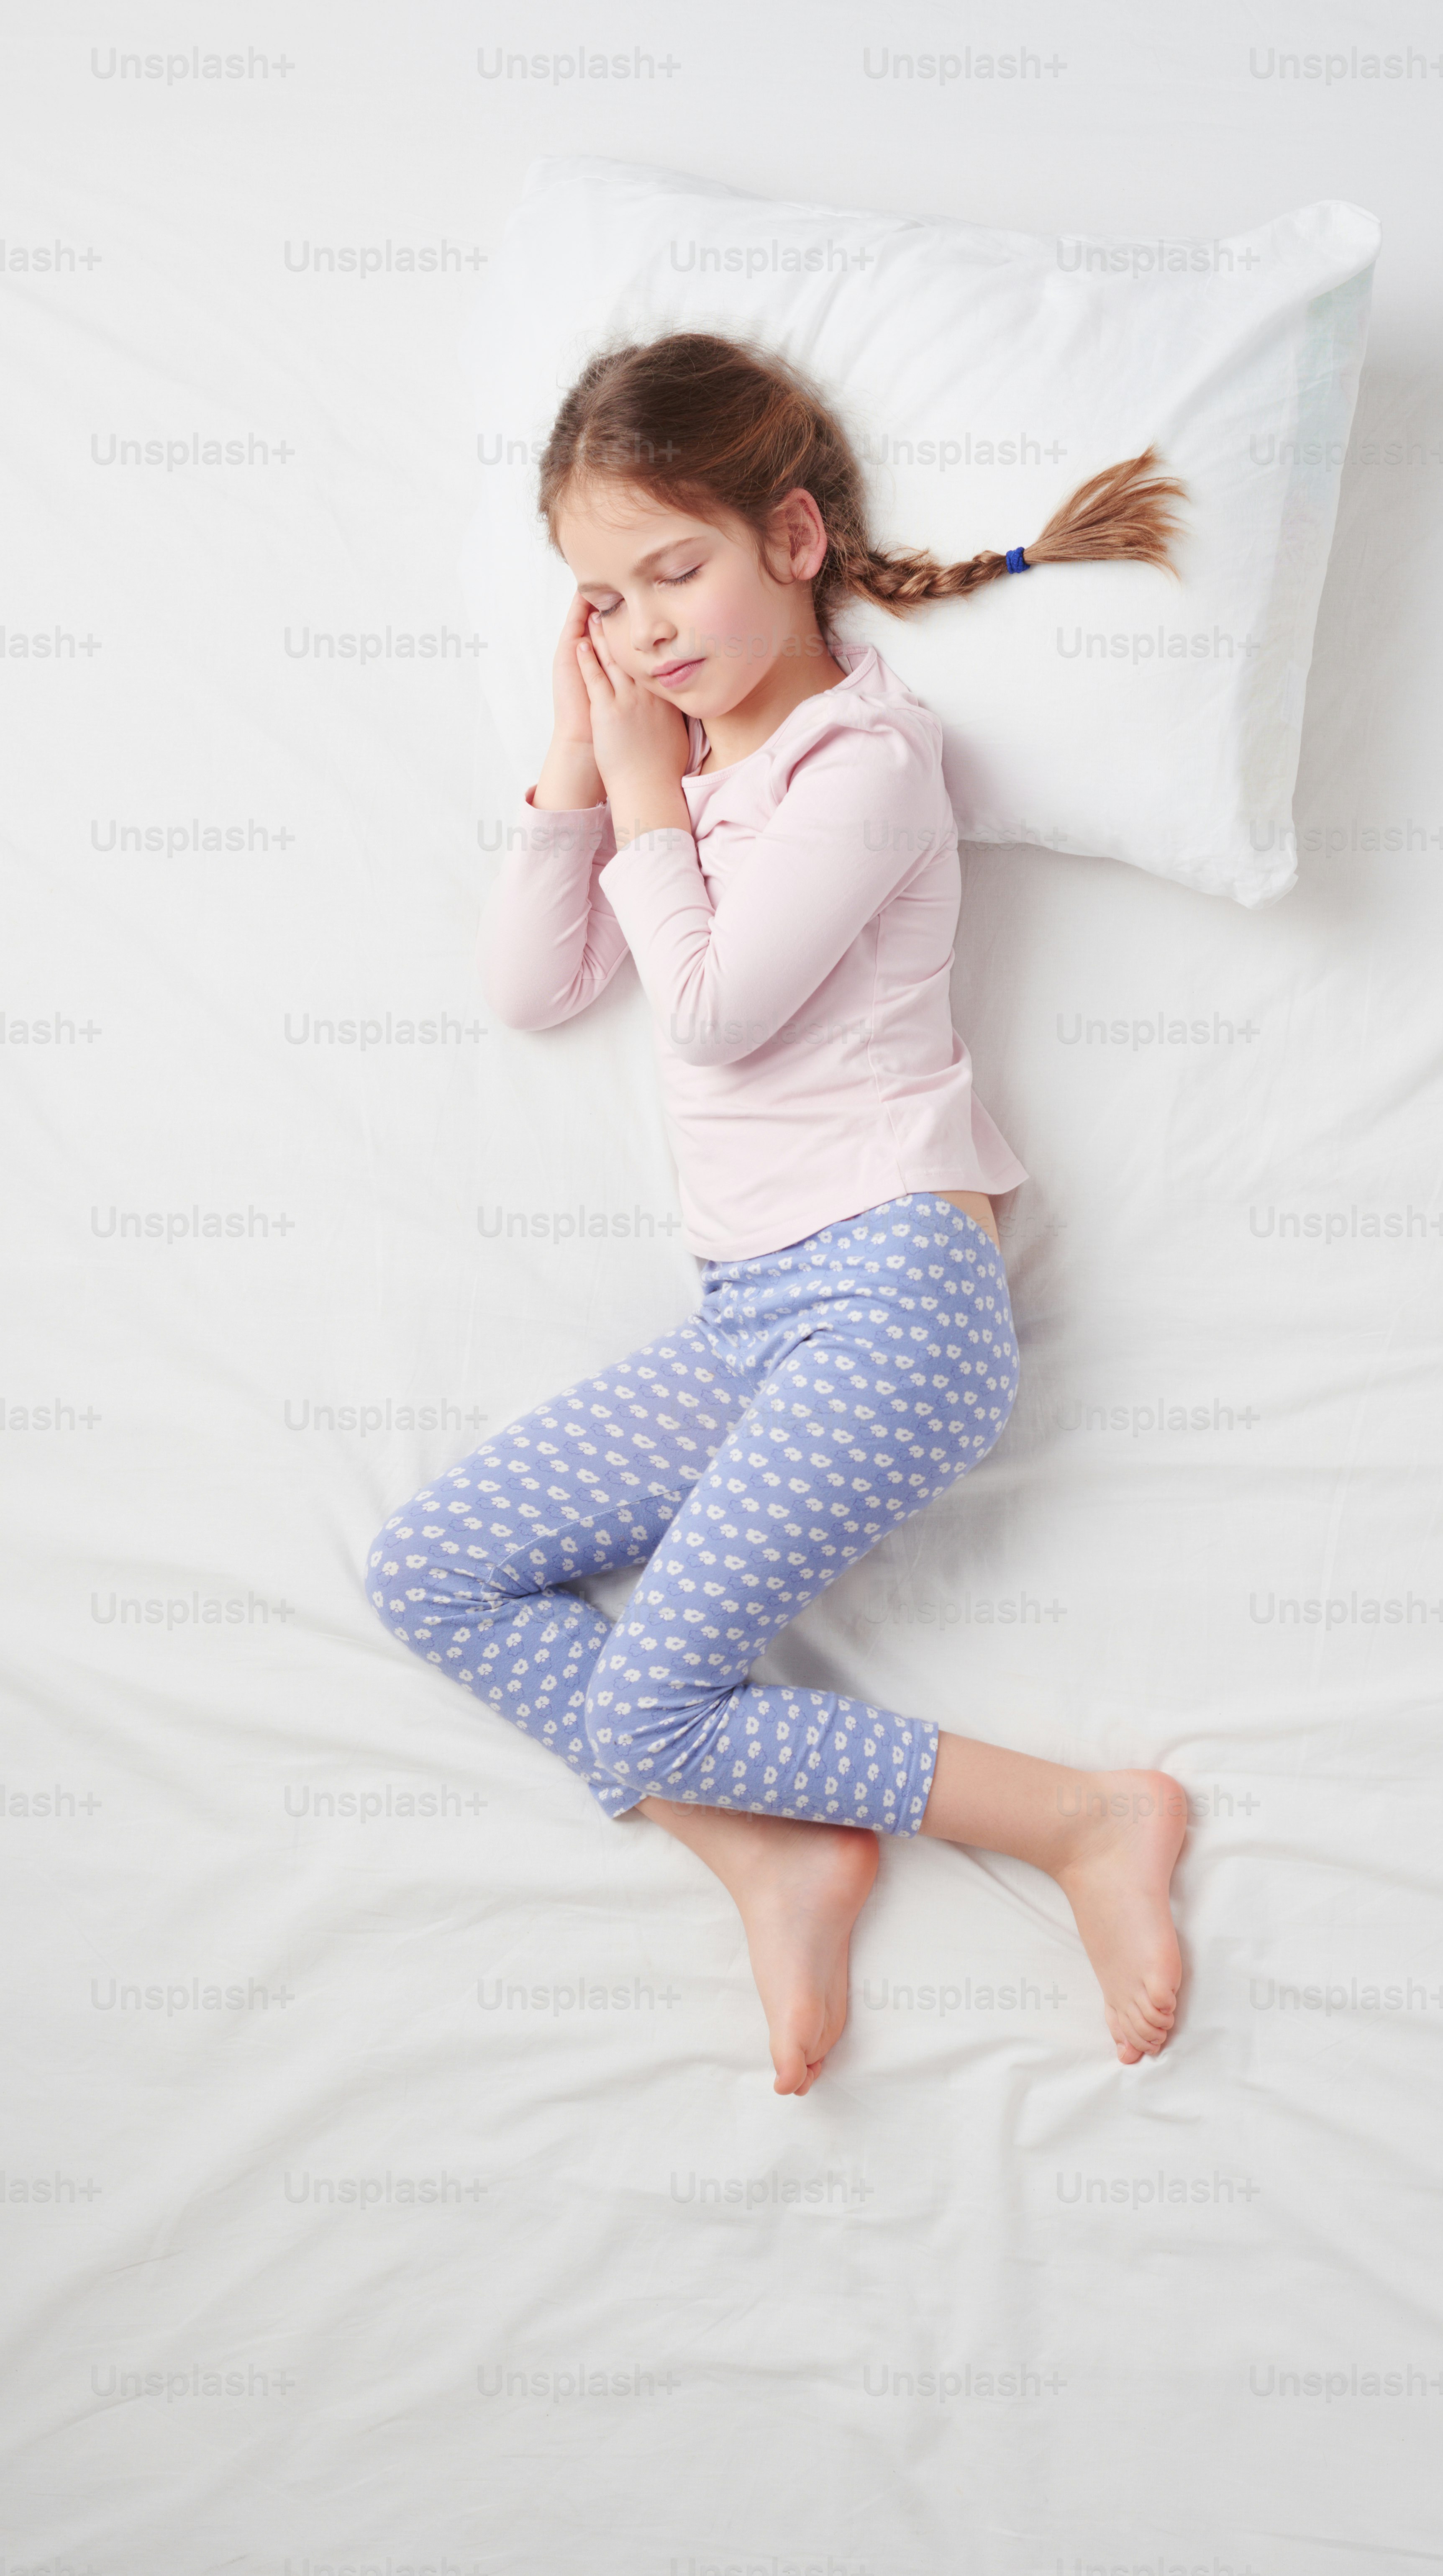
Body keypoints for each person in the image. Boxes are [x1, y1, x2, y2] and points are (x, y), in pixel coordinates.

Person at [367, 332, 1189, 2095]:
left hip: (897, 1298)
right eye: (605, 597)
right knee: (430, 1569)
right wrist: (577, 774)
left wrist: (654, 799)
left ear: (794, 540)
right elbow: (529, 989)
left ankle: (1084, 1822)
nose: (649, 627)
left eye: (678, 569)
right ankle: (764, 1845)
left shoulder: (861, 764)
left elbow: (719, 1007)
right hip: (755, 1315)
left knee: (656, 1699)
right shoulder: (665, 775)